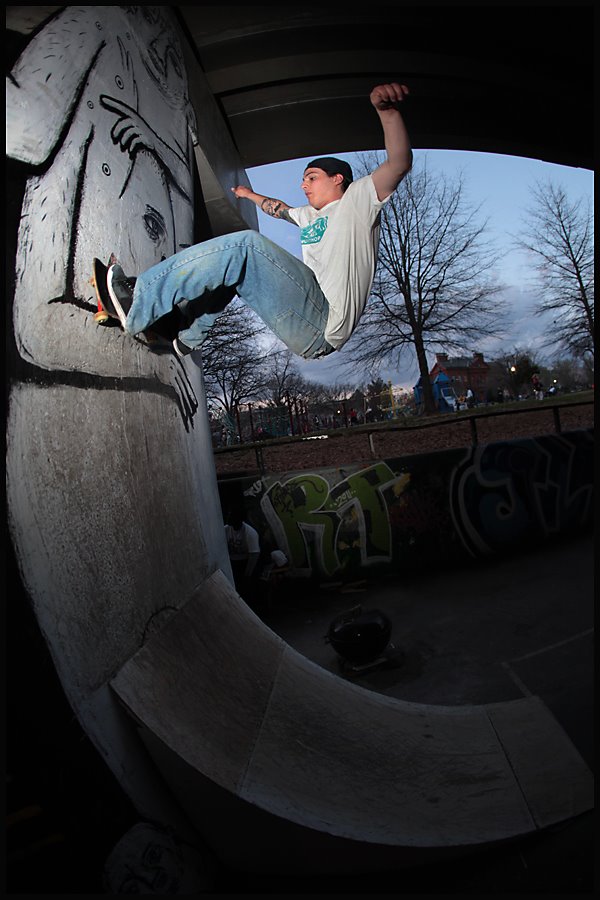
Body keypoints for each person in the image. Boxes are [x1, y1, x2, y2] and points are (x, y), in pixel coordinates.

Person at [99, 83, 413, 359]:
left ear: (338, 178)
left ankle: (138, 303)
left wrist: (386, 112)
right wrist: (249, 195)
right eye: (303, 180)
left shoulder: (357, 201)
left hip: (325, 321)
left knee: (246, 247)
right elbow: (278, 208)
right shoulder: (308, 215)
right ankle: (185, 335)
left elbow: (398, 163)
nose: (304, 185)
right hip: (303, 317)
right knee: (236, 268)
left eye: (312, 178)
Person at [224, 509, 261, 598]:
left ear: (238, 519)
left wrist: (247, 574)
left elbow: (254, 555)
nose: (228, 517)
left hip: (245, 562)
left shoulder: (250, 533)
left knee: (246, 588)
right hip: (231, 561)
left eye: (231, 516)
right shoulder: (225, 529)